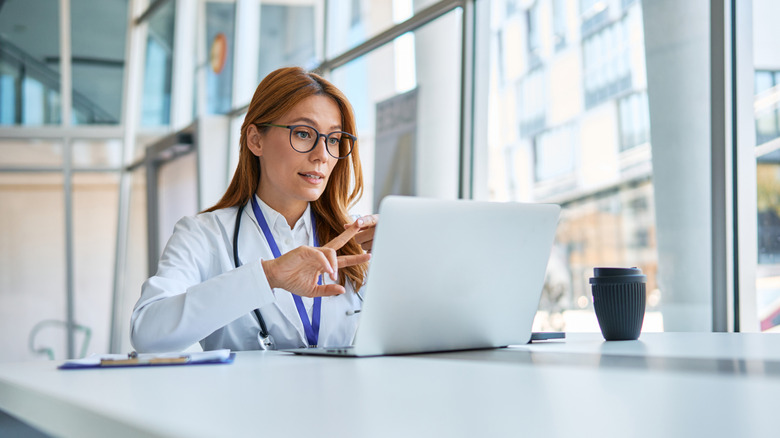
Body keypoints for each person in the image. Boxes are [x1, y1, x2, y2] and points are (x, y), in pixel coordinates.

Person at [130, 67, 378, 353]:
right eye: (303, 133)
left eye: (333, 139)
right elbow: (147, 332)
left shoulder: (359, 240)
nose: (322, 154)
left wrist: (401, 259)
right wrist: (267, 276)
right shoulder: (205, 234)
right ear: (256, 140)